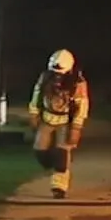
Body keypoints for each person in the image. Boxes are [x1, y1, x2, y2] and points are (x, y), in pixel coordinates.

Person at [28, 49, 91, 199]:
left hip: (65, 123)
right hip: (47, 119)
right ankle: (52, 165)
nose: (57, 76)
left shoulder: (78, 83)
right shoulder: (45, 78)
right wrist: (33, 113)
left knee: (61, 155)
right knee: (39, 150)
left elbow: (82, 105)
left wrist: (76, 127)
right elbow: (37, 95)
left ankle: (59, 187)